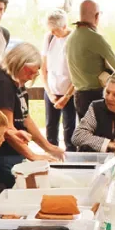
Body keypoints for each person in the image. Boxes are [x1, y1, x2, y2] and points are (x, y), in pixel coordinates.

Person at [0, 42, 65, 191]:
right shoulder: (3, 84)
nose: (31, 76)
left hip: (12, 152)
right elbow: (7, 129)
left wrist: (48, 147)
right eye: (29, 72)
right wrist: (32, 156)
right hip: (0, 154)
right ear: (18, 63)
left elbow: (26, 119)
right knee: (39, 183)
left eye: (35, 73)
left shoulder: (17, 80)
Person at [67, 0, 115, 119]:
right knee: (101, 136)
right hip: (96, 96)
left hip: (78, 96)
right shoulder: (95, 38)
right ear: (97, 16)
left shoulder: (70, 38)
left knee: (86, 135)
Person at [42, 8, 76, 148]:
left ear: (64, 26)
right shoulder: (49, 37)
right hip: (52, 90)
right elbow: (43, 68)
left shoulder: (73, 40)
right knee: (51, 128)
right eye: (50, 29)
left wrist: (66, 97)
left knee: (70, 129)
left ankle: (70, 159)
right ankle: (52, 157)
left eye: (55, 30)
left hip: (70, 92)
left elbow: (77, 73)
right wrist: (50, 94)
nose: (52, 33)